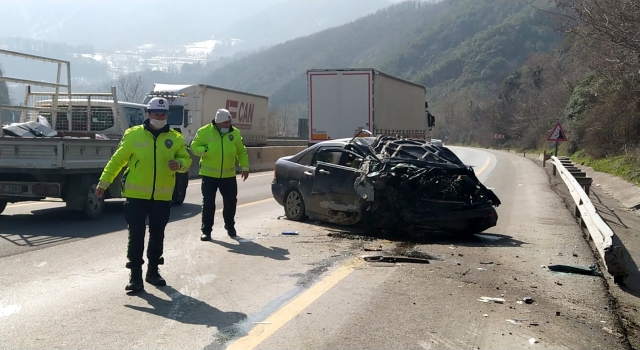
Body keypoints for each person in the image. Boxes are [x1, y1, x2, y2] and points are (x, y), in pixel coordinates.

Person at [95, 97, 192, 292]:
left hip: (162, 197)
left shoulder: (175, 138)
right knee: (136, 236)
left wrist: (179, 164)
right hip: (136, 196)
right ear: (148, 114)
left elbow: (186, 159)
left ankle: (153, 272)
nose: (160, 117)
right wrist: (103, 184)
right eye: (156, 113)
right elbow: (117, 161)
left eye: (163, 114)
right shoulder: (133, 135)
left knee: (157, 236)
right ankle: (135, 277)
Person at [190, 108, 249, 241]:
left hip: (228, 175)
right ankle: (206, 231)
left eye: (229, 122)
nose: (228, 125)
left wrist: (245, 167)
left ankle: (230, 226)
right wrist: (205, 150)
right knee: (209, 204)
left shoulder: (234, 133)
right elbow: (194, 147)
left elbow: (241, 151)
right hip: (209, 175)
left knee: (230, 202)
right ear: (218, 122)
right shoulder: (204, 132)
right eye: (225, 123)